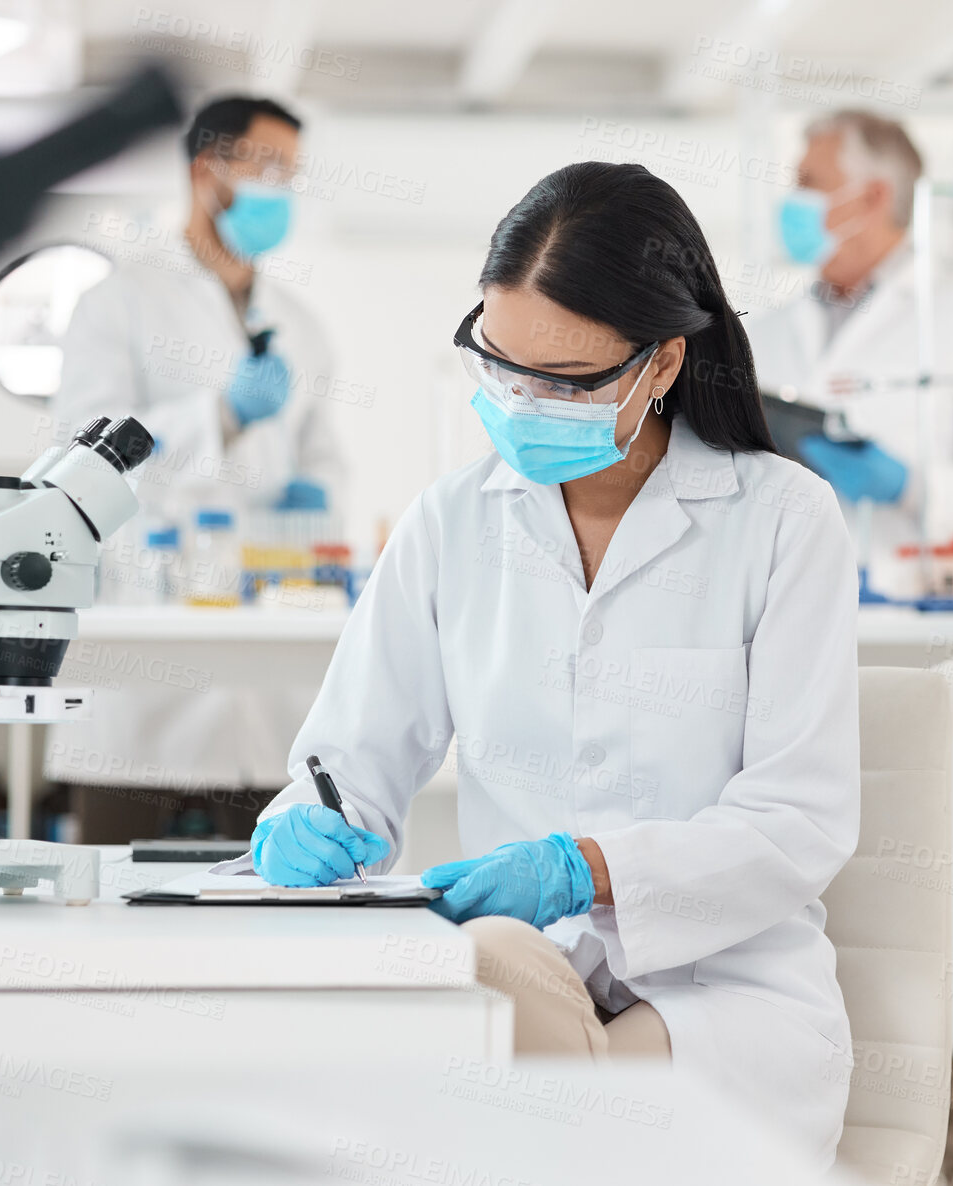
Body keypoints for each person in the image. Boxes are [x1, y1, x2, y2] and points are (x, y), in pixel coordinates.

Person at [250, 162, 862, 1167]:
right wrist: (307, 823)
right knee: (485, 991)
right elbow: (347, 764)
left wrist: (585, 868)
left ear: (661, 364)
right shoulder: (451, 521)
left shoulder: (782, 520)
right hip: (529, 972)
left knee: (499, 1104)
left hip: (725, 997)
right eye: (499, 365)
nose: (523, 402)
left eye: (565, 381)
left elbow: (798, 820)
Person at [45, 96, 345, 830]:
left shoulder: (299, 323)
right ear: (207, 170)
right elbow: (82, 458)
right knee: (117, 908)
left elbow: (324, 455)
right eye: (266, 166)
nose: (281, 189)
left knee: (258, 905)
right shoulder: (119, 301)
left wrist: (317, 498)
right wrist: (220, 416)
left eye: (291, 174)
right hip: (143, 670)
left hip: (263, 675)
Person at [747, 109, 953, 599]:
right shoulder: (765, 332)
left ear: (872, 197)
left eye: (809, 183)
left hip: (908, 607)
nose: (792, 202)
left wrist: (912, 487)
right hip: (782, 602)